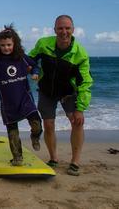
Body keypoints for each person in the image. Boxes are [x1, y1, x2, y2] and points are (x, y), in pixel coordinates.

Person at [28, 15, 93, 176]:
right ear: (55, 29)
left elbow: (85, 82)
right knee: (49, 125)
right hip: (46, 91)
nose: (64, 32)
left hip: (68, 93)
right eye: (60, 28)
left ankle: (75, 161)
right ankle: (53, 158)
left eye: (67, 28)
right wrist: (33, 69)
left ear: (73, 30)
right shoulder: (44, 44)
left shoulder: (80, 54)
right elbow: (29, 59)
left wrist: (80, 108)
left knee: (77, 122)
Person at [0, 25, 42, 166]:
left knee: (37, 124)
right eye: (3, 45)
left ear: (15, 44)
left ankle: (35, 137)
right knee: (12, 133)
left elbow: (35, 65)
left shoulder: (21, 58)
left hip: (25, 100)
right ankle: (17, 158)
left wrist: (35, 72)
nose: (6, 48)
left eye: (9, 45)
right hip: (8, 104)